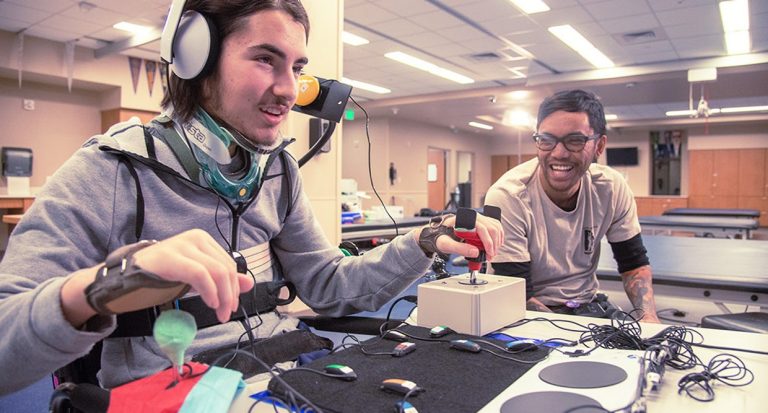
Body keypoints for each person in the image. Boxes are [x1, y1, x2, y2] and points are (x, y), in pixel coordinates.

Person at [0, 0, 502, 395]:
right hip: (175, 389)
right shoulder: (110, 170)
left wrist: (425, 241)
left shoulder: (277, 171)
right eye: (265, 59)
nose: (289, 90)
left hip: (285, 372)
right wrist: (98, 287)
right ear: (196, 59)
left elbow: (328, 285)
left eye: (297, 66)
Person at [486, 89, 659, 323]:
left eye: (575, 141)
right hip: (526, 312)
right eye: (546, 140)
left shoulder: (611, 188)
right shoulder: (508, 196)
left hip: (588, 304)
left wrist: (648, 317)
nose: (559, 153)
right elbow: (518, 293)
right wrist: (580, 334)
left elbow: (634, 265)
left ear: (599, 146)